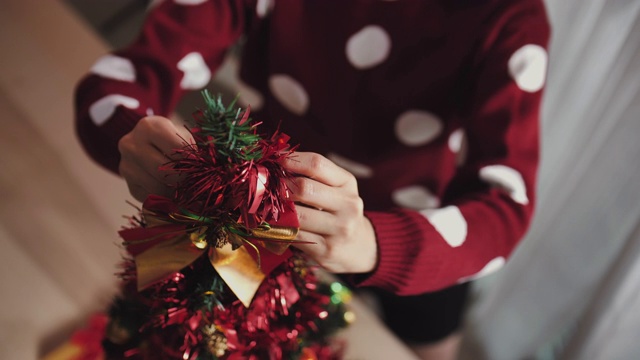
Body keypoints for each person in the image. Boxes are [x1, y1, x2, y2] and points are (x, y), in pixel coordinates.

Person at [74, 1, 550, 359]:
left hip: (416, 230)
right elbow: (126, 76)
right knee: (190, 329)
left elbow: (505, 207)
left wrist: (374, 244)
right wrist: (127, 135)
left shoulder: (509, 19)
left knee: (427, 345)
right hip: (259, 215)